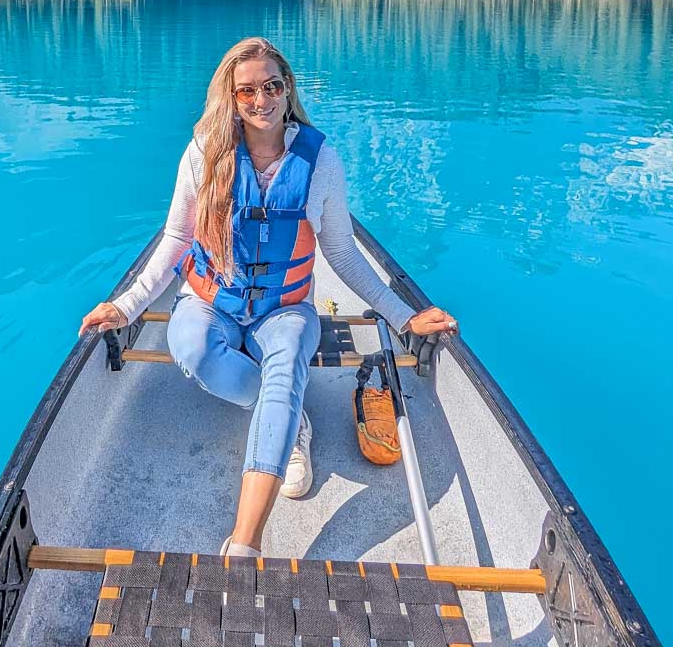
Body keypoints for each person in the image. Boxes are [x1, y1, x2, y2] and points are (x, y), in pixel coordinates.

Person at [79, 37, 458, 558]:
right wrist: (125, 306)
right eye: (247, 90)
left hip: (285, 309)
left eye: (272, 85)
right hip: (212, 300)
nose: (262, 99)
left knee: (286, 362)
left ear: (288, 89)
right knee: (190, 347)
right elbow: (177, 238)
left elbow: (342, 254)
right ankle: (287, 414)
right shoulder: (204, 153)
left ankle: (244, 544)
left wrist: (402, 317)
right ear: (231, 98)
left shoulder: (320, 161)